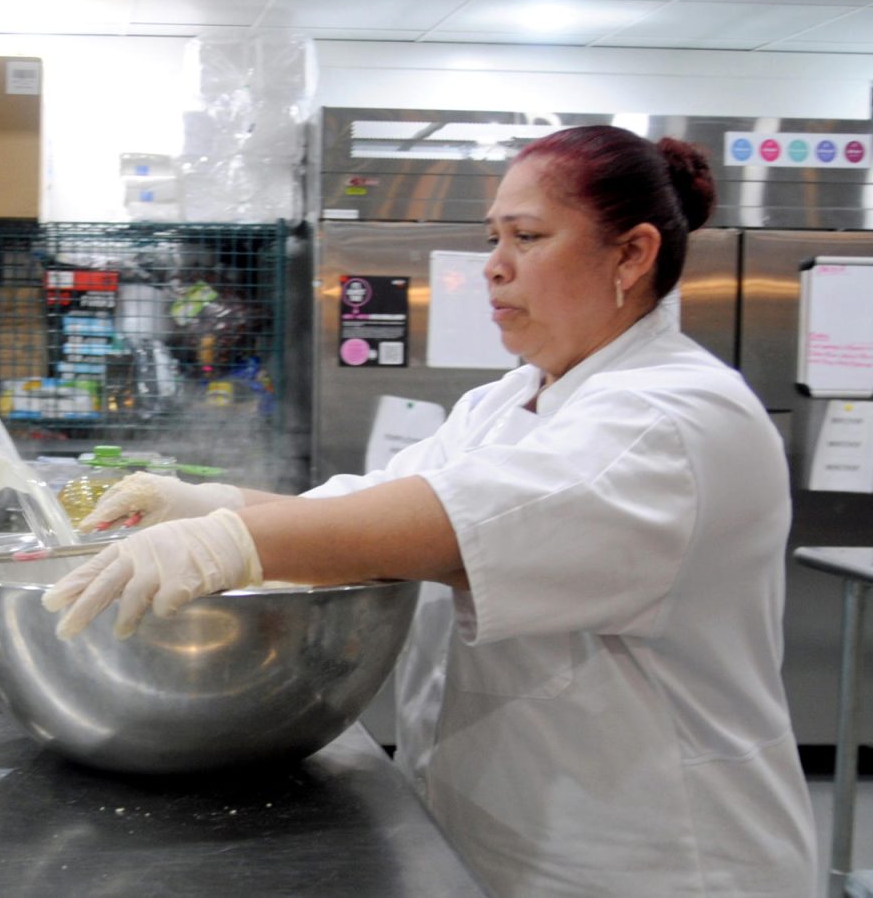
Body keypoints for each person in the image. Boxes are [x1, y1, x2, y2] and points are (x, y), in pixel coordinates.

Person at [44, 126, 816, 896]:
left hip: (657, 862)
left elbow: (443, 528)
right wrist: (207, 502)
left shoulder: (674, 418)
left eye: (529, 237)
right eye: (493, 237)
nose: (495, 266)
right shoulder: (507, 400)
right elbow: (374, 511)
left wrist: (227, 540)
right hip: (500, 839)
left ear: (632, 255)